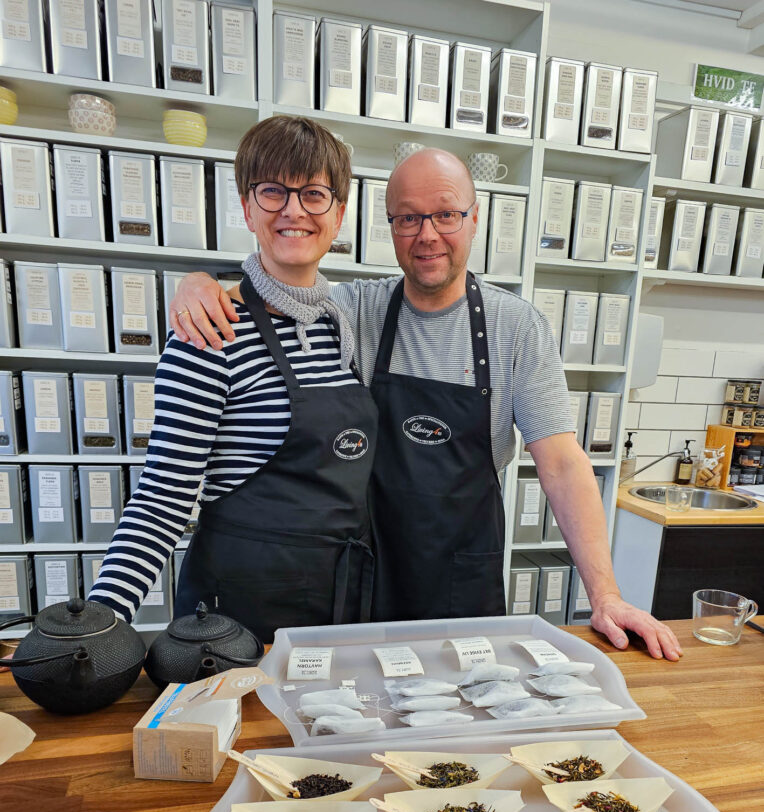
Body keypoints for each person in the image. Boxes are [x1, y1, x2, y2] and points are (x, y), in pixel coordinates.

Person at [169, 147, 682, 661]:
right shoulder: (354, 310)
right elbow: (279, 287)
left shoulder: (516, 327)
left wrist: (606, 596)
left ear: (475, 217)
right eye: (409, 218)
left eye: (446, 214)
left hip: (462, 582)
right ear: (390, 225)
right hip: (366, 580)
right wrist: (199, 284)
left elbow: (564, 464)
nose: (428, 234)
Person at [88, 116, 378, 643]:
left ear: (338, 215)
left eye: (314, 194)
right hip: (237, 614)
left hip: (339, 604)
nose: (293, 210)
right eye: (273, 192)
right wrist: (102, 618)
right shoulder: (209, 330)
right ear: (247, 207)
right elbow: (163, 495)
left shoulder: (349, 323)